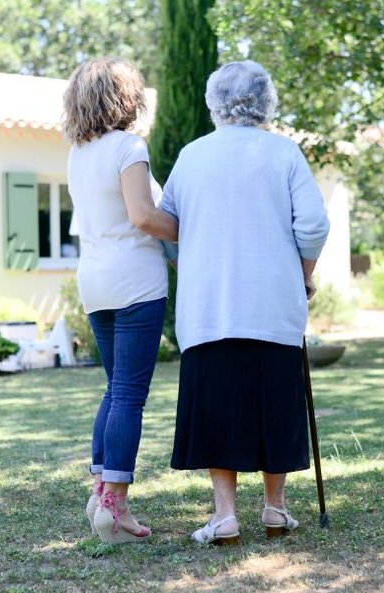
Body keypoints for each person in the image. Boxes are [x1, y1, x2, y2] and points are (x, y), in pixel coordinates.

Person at [161, 60, 330, 545]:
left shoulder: (193, 155)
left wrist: (187, 265)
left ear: (214, 101)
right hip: (273, 304)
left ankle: (226, 516)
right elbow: (314, 224)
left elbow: (166, 225)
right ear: (266, 100)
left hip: (210, 307)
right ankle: (275, 510)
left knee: (218, 406)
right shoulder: (284, 153)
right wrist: (303, 274)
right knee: (275, 402)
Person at [63, 58, 177, 544]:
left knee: (115, 390)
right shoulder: (129, 147)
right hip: (135, 283)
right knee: (129, 395)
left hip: (95, 283)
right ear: (127, 99)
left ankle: (100, 492)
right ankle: (115, 506)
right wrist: (197, 233)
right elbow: (144, 217)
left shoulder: (77, 152)